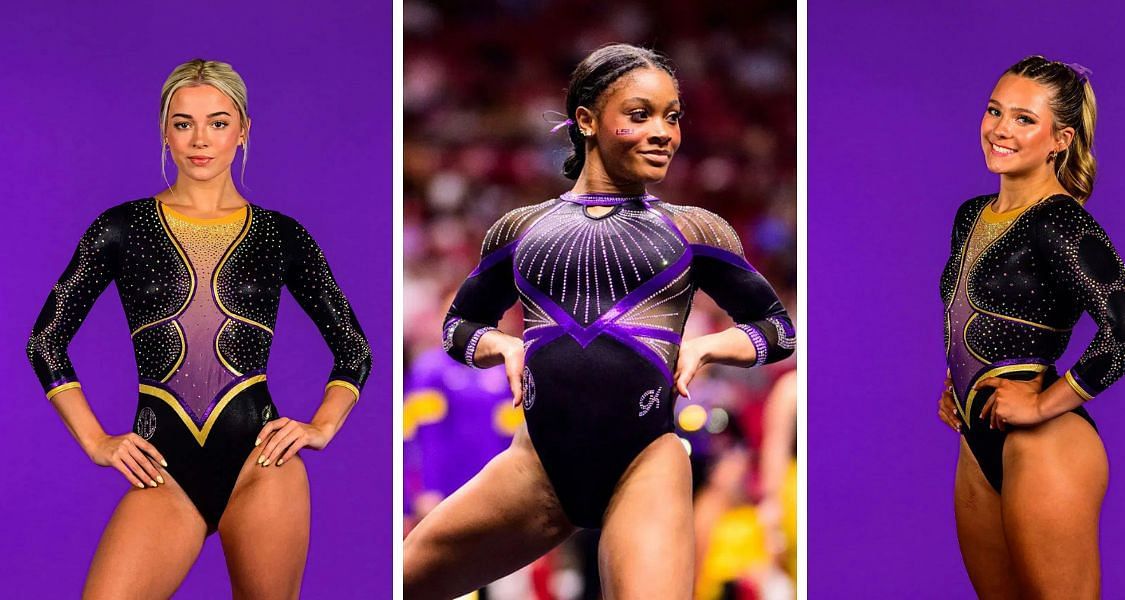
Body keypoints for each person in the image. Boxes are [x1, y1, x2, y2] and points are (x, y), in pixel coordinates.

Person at [402, 43, 795, 599]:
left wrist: (707, 347)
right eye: (641, 115)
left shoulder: (694, 231)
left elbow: (777, 329)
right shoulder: (520, 228)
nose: (664, 132)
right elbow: (458, 327)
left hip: (645, 464)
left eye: (673, 117)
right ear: (586, 120)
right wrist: (504, 347)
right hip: (537, 466)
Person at [25, 59, 372, 599]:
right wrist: (96, 441)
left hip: (263, 469)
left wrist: (320, 427)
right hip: (164, 472)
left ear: (243, 130)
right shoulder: (120, 228)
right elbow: (45, 341)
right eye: (183, 123)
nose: (200, 139)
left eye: (217, 121)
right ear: (164, 130)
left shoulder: (282, 236)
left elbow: (353, 348)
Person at [937, 55, 1125, 598]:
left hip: (1044, 445)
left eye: (1024, 119)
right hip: (976, 439)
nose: (1001, 129)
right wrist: (958, 386)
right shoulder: (971, 214)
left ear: (1060, 139)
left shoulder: (1060, 220)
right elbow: (972, 319)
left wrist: (1039, 404)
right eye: (995, 111)